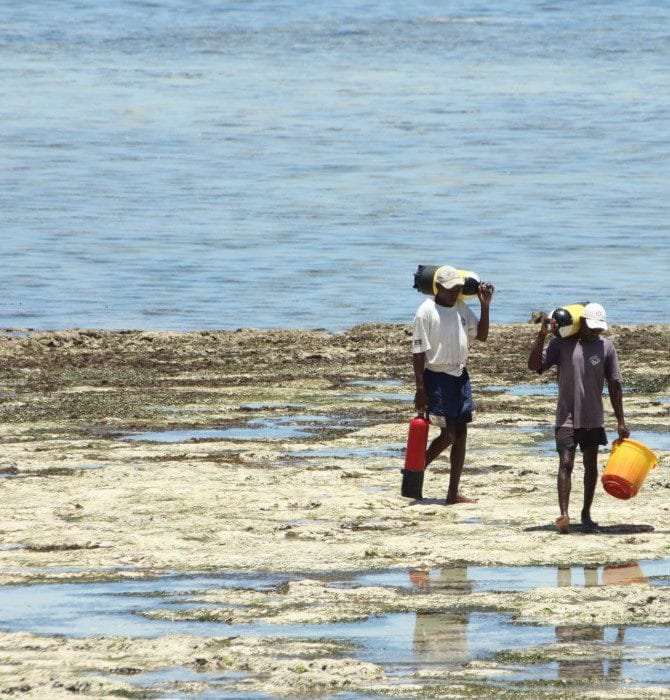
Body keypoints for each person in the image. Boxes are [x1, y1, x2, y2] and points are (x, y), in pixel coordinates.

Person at [528, 302, 629, 533]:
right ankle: (564, 514)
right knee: (565, 463)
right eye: (591, 327)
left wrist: (621, 421)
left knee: (590, 466)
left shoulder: (607, 347)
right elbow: (534, 366)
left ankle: (586, 513)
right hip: (566, 416)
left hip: (593, 418)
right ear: (581, 322)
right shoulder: (561, 344)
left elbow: (615, 385)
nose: (595, 332)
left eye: (599, 329)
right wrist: (541, 336)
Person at [411, 265, 493, 504]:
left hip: (460, 376)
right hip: (436, 377)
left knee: (462, 434)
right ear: (437, 288)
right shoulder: (425, 311)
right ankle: (415, 471)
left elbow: (483, 335)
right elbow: (418, 352)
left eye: (457, 289)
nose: (454, 293)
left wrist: (485, 306)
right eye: (449, 290)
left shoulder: (461, 307)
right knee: (448, 435)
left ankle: (452, 492)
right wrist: (420, 389)